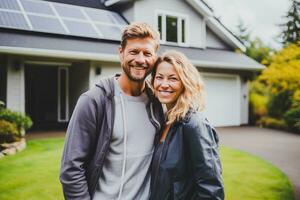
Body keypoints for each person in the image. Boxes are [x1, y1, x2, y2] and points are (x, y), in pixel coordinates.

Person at [59, 22, 164, 200]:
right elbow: (71, 169)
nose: (140, 59)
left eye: (147, 53)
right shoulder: (94, 101)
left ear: (155, 58)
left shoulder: (157, 103)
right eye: (133, 51)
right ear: (121, 52)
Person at [150, 50, 224, 200]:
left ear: (185, 82)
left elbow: (211, 189)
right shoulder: (164, 121)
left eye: (172, 78)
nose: (164, 84)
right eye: (159, 77)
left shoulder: (194, 124)